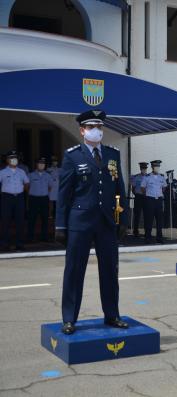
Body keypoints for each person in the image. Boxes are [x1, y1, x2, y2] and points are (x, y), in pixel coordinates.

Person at [55, 109, 128, 335]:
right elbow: (64, 193)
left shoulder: (112, 154)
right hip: (80, 221)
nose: (96, 131)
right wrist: (60, 225)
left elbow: (119, 188)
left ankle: (112, 314)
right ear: (82, 130)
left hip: (106, 221)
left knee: (110, 270)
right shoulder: (73, 156)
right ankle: (69, 318)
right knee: (74, 271)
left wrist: (123, 219)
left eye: (99, 127)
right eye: (91, 127)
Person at [0, 150, 29, 251]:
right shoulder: (2, 172)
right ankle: (5, 244)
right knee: (5, 221)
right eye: (11, 158)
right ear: (7, 160)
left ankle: (19, 244)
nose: (14, 160)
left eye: (15, 158)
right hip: (6, 198)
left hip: (19, 198)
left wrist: (22, 193)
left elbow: (26, 183)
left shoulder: (21, 172)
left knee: (20, 221)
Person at [141, 160, 167, 244]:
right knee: (149, 219)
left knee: (159, 220)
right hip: (150, 199)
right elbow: (142, 188)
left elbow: (164, 187)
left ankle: (159, 238)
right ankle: (147, 238)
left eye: (158, 166)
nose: (157, 168)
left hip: (159, 200)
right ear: (152, 167)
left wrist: (160, 193)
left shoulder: (161, 177)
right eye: (156, 166)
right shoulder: (147, 177)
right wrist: (148, 194)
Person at [27, 158, 52, 242]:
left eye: (43, 164)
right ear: (36, 164)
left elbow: (50, 187)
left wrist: (43, 193)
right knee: (32, 218)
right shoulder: (30, 175)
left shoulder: (48, 175)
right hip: (33, 198)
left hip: (44, 199)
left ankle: (44, 237)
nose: (41, 165)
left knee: (45, 218)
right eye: (39, 163)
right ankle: (30, 237)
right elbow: (27, 187)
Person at [129, 162, 148, 237]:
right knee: (137, 214)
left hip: (146, 197)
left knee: (147, 215)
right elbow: (133, 188)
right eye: (143, 169)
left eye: (145, 169)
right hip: (138, 197)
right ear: (140, 169)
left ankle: (147, 230)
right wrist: (137, 194)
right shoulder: (136, 177)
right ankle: (135, 230)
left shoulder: (148, 177)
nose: (144, 170)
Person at [48, 156, 60, 221]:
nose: (55, 162)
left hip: (58, 187)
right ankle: (50, 215)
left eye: (56, 161)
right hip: (51, 187)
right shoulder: (48, 169)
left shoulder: (60, 169)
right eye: (54, 161)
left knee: (58, 203)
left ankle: (57, 215)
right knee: (51, 202)